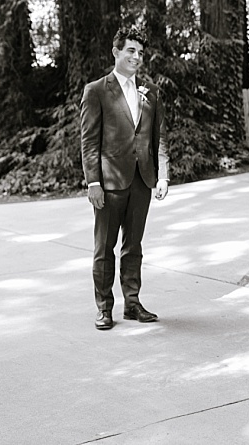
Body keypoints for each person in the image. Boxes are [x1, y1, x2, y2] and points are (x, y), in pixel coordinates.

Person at [78, 28, 168, 331]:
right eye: (130, 50)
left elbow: (160, 137)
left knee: (134, 246)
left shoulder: (151, 91)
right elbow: (89, 141)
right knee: (104, 248)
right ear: (116, 52)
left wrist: (163, 176)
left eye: (140, 53)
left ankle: (132, 303)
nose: (136, 57)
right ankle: (104, 308)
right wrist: (93, 183)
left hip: (143, 180)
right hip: (109, 182)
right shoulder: (96, 91)